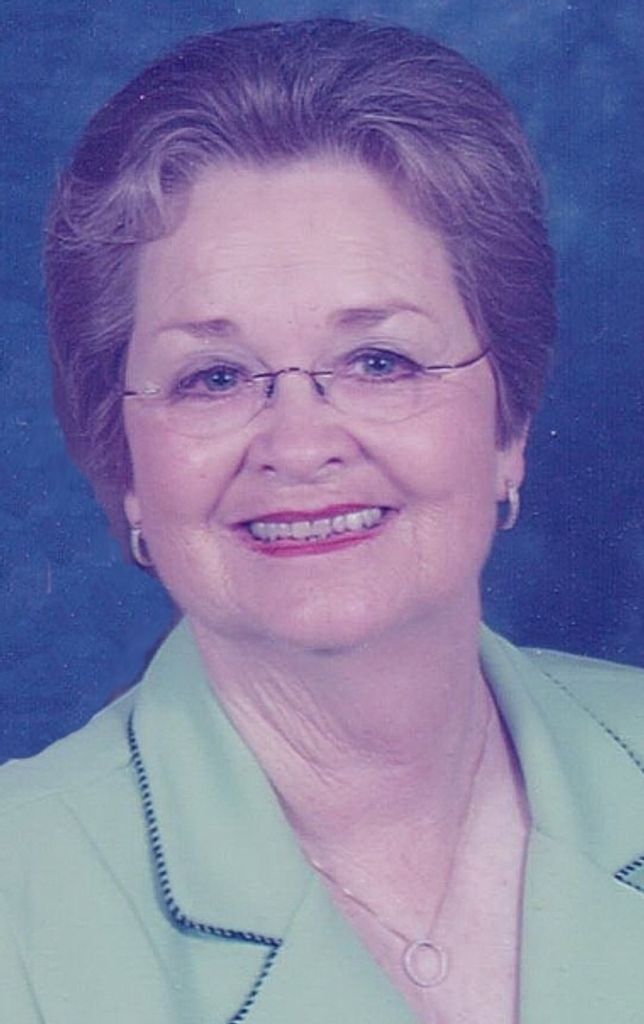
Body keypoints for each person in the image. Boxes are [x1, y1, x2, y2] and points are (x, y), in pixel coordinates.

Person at [1, 17, 643, 1024]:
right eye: (214, 376)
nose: (298, 446)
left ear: (508, 424)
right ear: (124, 465)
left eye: (379, 361)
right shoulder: (21, 900)